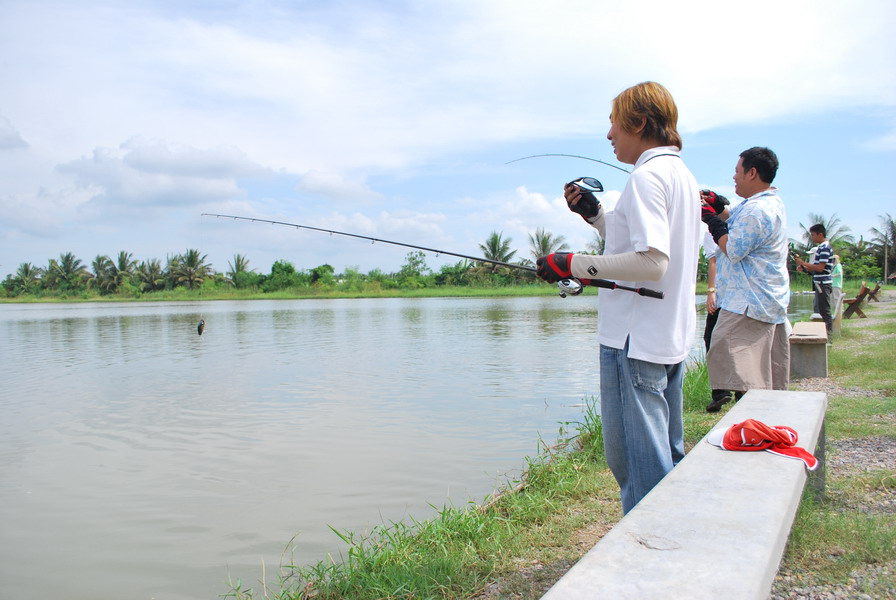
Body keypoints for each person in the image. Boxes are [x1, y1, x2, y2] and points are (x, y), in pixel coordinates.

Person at [535, 81, 700, 514]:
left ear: (639, 123)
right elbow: (641, 248)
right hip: (666, 338)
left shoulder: (646, 177)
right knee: (666, 455)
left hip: (633, 342)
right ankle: (675, 542)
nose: (609, 135)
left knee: (638, 468)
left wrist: (571, 265)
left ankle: (649, 561)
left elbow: (651, 264)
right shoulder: (680, 175)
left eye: (613, 123)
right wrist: (597, 216)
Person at [700, 147, 790, 410]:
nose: (734, 177)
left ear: (752, 173)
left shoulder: (756, 211)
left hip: (749, 302)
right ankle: (758, 414)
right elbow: (737, 220)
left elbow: (735, 248)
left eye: (737, 171)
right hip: (764, 299)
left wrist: (710, 219)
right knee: (757, 365)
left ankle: (754, 417)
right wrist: (718, 206)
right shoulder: (767, 203)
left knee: (730, 353)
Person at [699, 190, 744, 412]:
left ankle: (722, 391)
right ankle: (737, 391)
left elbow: (714, 261)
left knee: (712, 338)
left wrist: (711, 291)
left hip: (725, 292)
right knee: (734, 341)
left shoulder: (713, 228)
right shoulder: (738, 221)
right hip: (737, 292)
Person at [794, 225, 834, 338]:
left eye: (813, 235)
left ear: (820, 234)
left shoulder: (825, 248)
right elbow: (818, 271)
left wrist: (803, 263)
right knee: (821, 309)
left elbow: (821, 268)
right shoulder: (821, 248)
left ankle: (829, 336)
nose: (812, 237)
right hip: (819, 282)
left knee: (824, 310)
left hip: (823, 284)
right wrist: (805, 269)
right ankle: (827, 334)